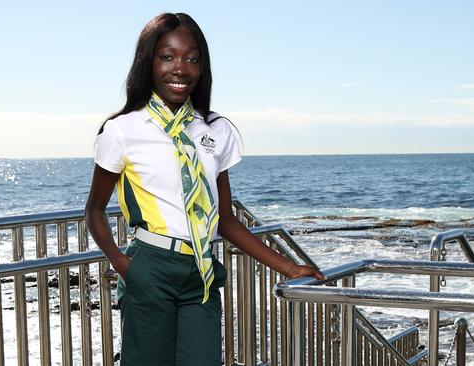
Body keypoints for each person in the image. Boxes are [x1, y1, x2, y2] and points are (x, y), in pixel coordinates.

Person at [85, 12, 324, 366]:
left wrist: (287, 268)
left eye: (191, 58)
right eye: (167, 56)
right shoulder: (122, 130)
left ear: (202, 66)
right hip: (149, 265)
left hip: (202, 271)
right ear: (148, 62)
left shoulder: (216, 130)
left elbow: (225, 220)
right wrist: (124, 266)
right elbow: (94, 210)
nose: (180, 68)